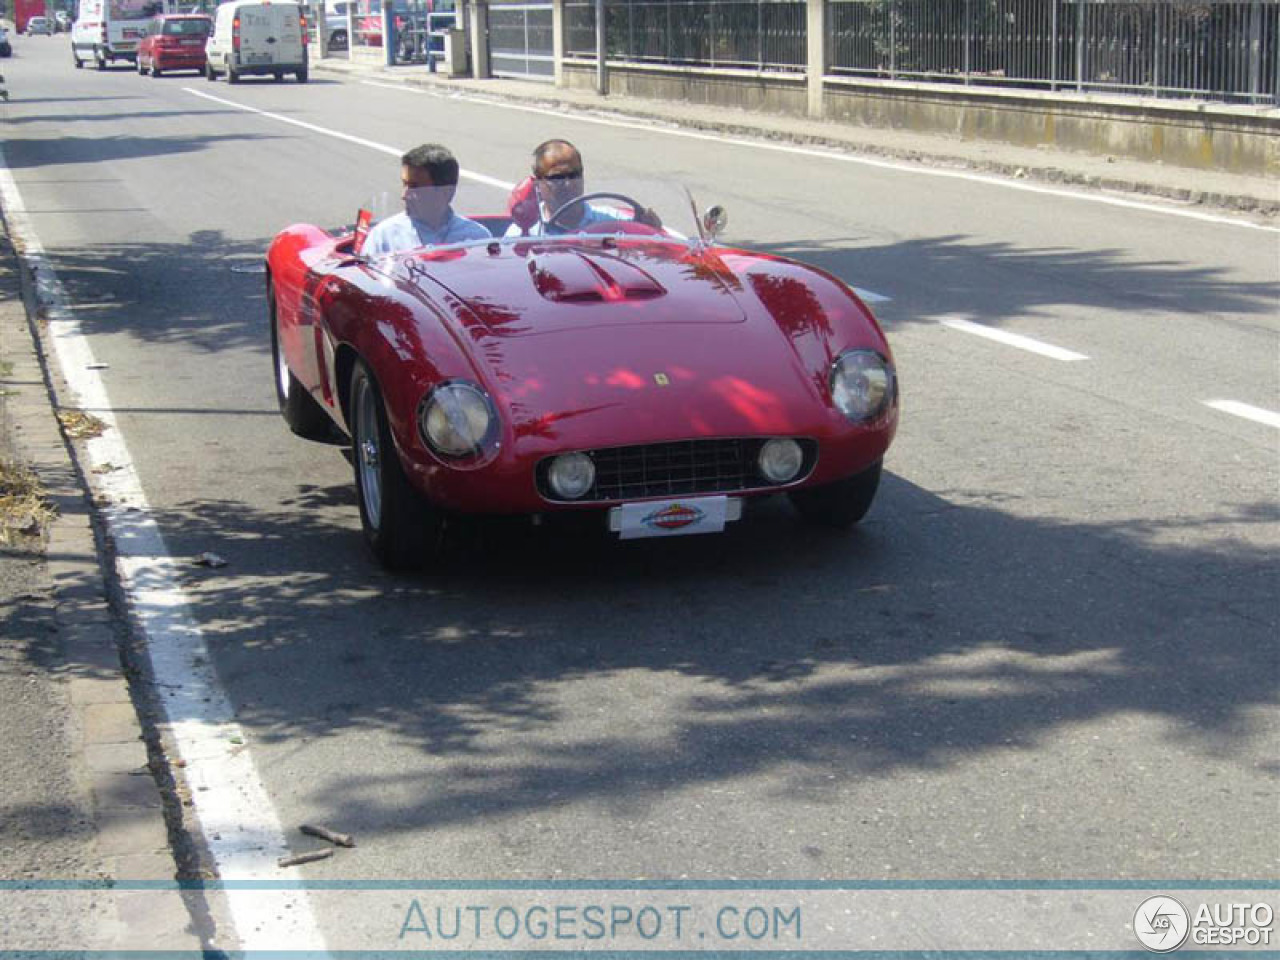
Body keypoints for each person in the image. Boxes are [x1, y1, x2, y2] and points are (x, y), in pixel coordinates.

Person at [505, 139, 659, 237]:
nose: (569, 184)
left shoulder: (614, 222)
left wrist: (650, 228)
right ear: (538, 183)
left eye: (575, 175)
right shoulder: (524, 233)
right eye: (558, 178)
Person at [362, 144, 490, 256]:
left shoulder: (478, 238)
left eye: (415, 187)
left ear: (446, 192)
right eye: (404, 184)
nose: (404, 195)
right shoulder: (384, 237)